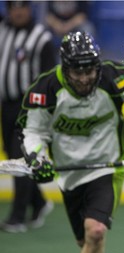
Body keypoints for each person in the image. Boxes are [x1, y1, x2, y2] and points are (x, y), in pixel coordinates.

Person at [16, 31, 124, 253]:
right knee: (85, 241)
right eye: (77, 72)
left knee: (96, 231)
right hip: (69, 174)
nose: (85, 78)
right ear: (65, 68)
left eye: (90, 70)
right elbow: (32, 131)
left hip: (107, 169)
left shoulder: (115, 77)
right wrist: (37, 158)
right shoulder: (45, 88)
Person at [0, 0, 55, 233]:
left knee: (20, 158)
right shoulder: (3, 29)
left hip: (30, 109)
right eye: (13, 6)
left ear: (30, 8)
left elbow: (50, 78)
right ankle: (39, 203)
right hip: (7, 105)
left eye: (22, 6)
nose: (17, 11)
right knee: (13, 154)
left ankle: (18, 216)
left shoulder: (41, 37)